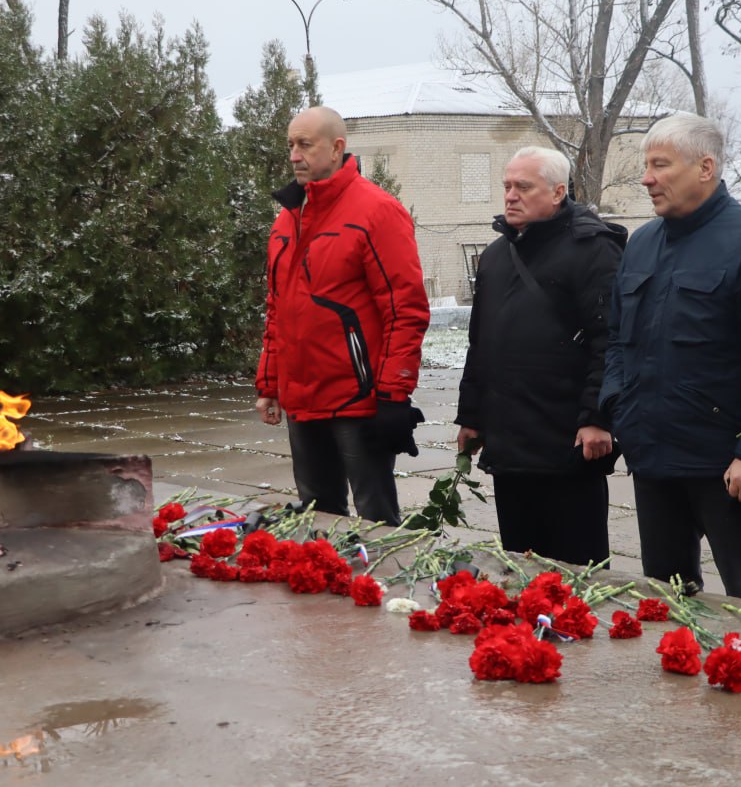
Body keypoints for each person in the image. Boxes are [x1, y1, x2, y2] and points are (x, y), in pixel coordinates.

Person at [600, 113, 741, 604]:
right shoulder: (642, 243)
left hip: (725, 465)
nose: (646, 178)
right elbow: (618, 341)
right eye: (646, 166)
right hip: (652, 457)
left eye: (660, 165)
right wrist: (618, 408)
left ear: (705, 167)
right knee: (665, 603)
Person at [256, 106, 430, 526]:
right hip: (302, 399)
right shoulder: (288, 218)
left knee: (375, 520)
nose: (295, 156)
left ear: (337, 149)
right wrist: (270, 381)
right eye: (290, 146)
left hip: (358, 400)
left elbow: (405, 310)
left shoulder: (376, 211)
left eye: (305, 145)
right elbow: (278, 307)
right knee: (316, 518)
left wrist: (393, 394)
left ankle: (386, 589)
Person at [455, 146, 625, 565]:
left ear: (557, 192)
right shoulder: (495, 256)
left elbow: (612, 340)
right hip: (510, 445)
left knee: (576, 572)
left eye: (523, 187)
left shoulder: (593, 249)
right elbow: (481, 343)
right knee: (520, 564)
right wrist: (472, 417)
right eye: (507, 186)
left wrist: (597, 418)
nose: (510, 195)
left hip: (568, 443)